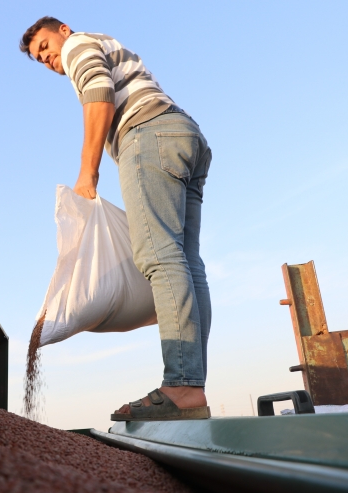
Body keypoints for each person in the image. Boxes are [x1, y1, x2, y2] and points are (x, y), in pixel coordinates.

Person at [20, 17, 212, 421]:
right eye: (39, 58)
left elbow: (100, 93)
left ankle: (180, 386)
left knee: (159, 257)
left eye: (44, 45)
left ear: (64, 30)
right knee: (188, 265)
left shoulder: (78, 46)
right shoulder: (106, 44)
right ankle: (192, 386)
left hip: (147, 134)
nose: (47, 57)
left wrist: (87, 172)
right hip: (184, 134)